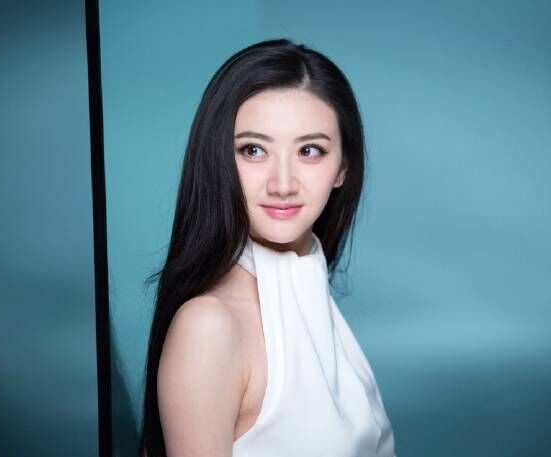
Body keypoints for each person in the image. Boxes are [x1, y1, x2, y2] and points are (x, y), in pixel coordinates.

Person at [138, 38, 396, 457]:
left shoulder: (311, 299)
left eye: (309, 150)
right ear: (219, 160)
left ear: (342, 168)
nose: (282, 184)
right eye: (254, 150)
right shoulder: (210, 326)